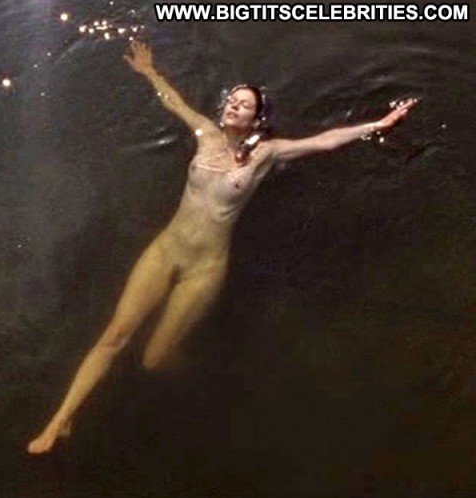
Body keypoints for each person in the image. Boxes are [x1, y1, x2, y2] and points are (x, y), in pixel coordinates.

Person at [27, 40, 417, 454]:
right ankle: (61, 420)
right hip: (165, 251)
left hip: (205, 267)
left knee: (154, 359)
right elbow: (174, 102)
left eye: (244, 104)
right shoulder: (206, 135)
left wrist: (379, 124)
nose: (233, 105)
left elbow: (326, 141)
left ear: (256, 118)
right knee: (115, 334)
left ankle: (192, 364)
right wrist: (149, 71)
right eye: (232, 100)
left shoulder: (266, 154)